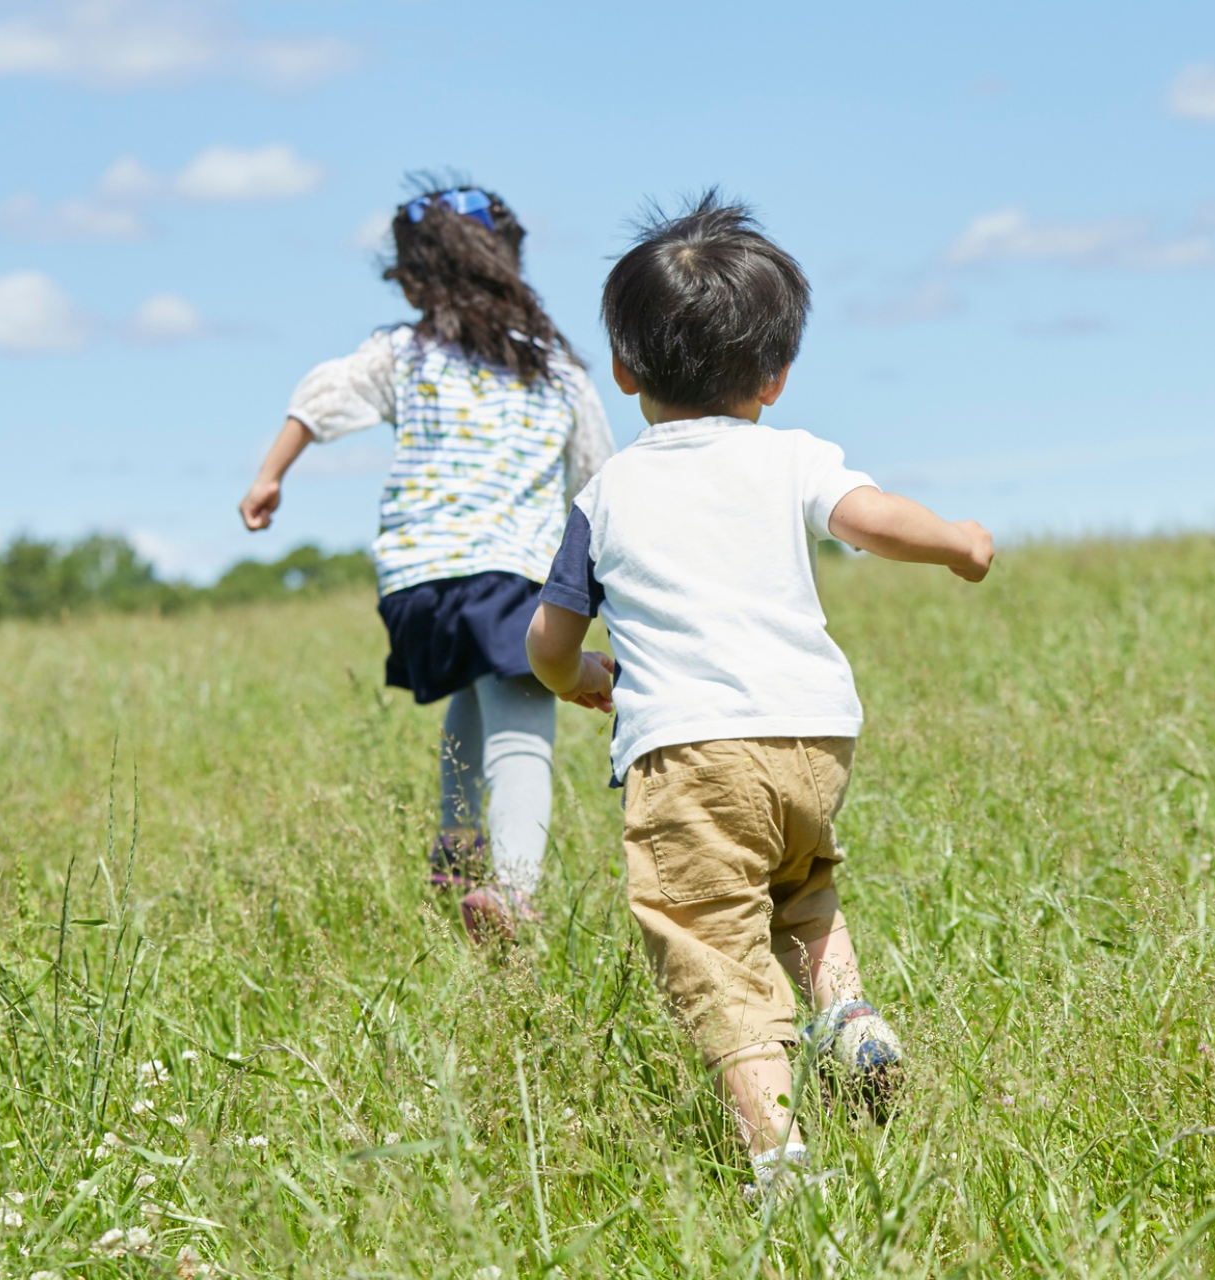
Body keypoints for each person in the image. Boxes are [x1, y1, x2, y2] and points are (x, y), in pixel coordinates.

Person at [525, 193, 994, 1194]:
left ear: (623, 370)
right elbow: (868, 518)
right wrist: (955, 539)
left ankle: (779, 1162)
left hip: (689, 751)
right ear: (776, 376)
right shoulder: (792, 456)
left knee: (710, 943)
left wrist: (579, 680)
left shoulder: (605, 494)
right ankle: (849, 1016)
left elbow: (549, 640)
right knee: (800, 891)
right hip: (812, 742)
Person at [239, 182, 615, 942]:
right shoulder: (555, 372)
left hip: (417, 581)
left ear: (415, 279)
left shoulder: (404, 354)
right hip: (506, 566)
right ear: (510, 267)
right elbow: (601, 480)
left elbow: (325, 394)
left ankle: (456, 849)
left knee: (475, 691)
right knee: (522, 723)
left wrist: (270, 472)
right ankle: (514, 893)